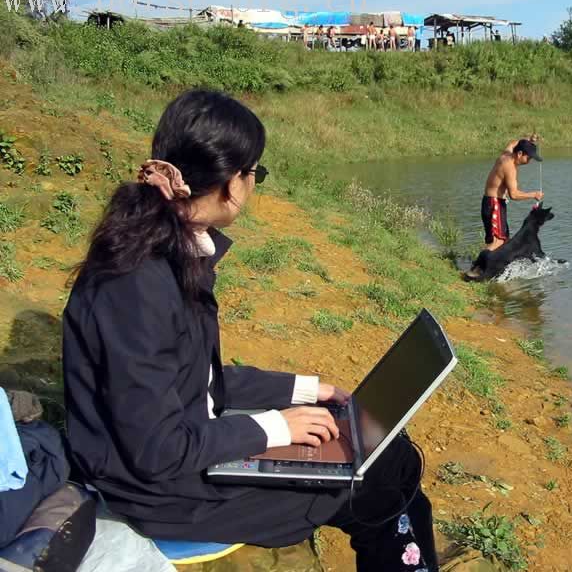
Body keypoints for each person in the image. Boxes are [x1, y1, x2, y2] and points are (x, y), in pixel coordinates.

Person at [62, 89, 438, 572]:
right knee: (389, 476)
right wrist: (274, 427)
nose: (253, 184)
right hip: (165, 492)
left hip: (183, 454)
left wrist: (306, 390)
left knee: (383, 451)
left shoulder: (162, 250)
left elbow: (194, 381)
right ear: (231, 184)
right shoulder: (139, 284)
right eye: (254, 172)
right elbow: (157, 450)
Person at [480, 135, 544, 252]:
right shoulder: (510, 168)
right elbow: (513, 195)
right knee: (498, 242)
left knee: (501, 241)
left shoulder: (506, 154)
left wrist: (528, 139)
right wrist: (533, 195)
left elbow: (513, 143)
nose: (529, 161)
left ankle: (486, 267)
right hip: (495, 204)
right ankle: (477, 268)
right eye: (528, 158)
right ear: (519, 153)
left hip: (489, 202)